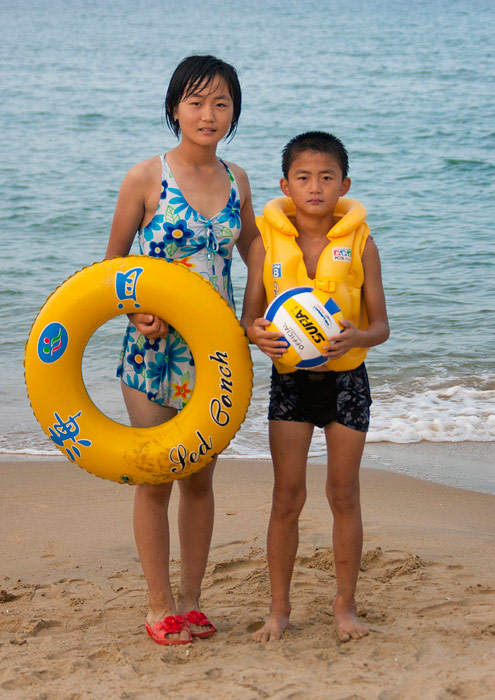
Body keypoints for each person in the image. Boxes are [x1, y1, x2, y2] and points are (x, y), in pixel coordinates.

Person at [105, 55, 259, 645]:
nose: (208, 114)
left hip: (215, 356)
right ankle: (157, 606)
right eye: (196, 102)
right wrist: (134, 309)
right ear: (175, 108)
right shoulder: (146, 177)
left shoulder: (238, 179)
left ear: (234, 113)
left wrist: (254, 316)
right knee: (157, 476)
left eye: (221, 103)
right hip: (153, 352)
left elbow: (257, 255)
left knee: (199, 480)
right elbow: (113, 264)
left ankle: (192, 602)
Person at [241, 131, 389, 643]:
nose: (315, 187)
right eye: (303, 177)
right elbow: (250, 319)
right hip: (291, 387)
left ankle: (344, 606)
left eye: (327, 177)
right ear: (285, 185)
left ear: (344, 184)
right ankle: (278, 610)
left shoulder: (362, 244)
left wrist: (357, 334)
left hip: (348, 382)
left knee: (344, 494)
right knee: (287, 497)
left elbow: (381, 327)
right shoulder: (264, 244)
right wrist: (258, 336)